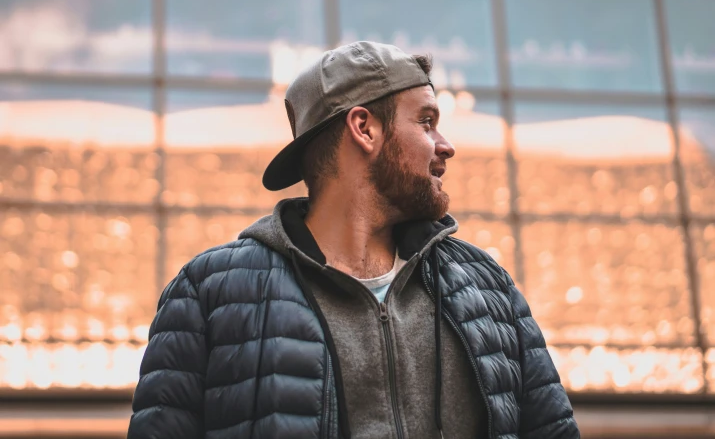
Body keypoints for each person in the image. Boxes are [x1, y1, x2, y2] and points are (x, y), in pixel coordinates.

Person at [128, 41, 579, 439]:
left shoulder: (485, 287)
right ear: (364, 128)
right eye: (426, 122)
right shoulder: (210, 294)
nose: (445, 145)